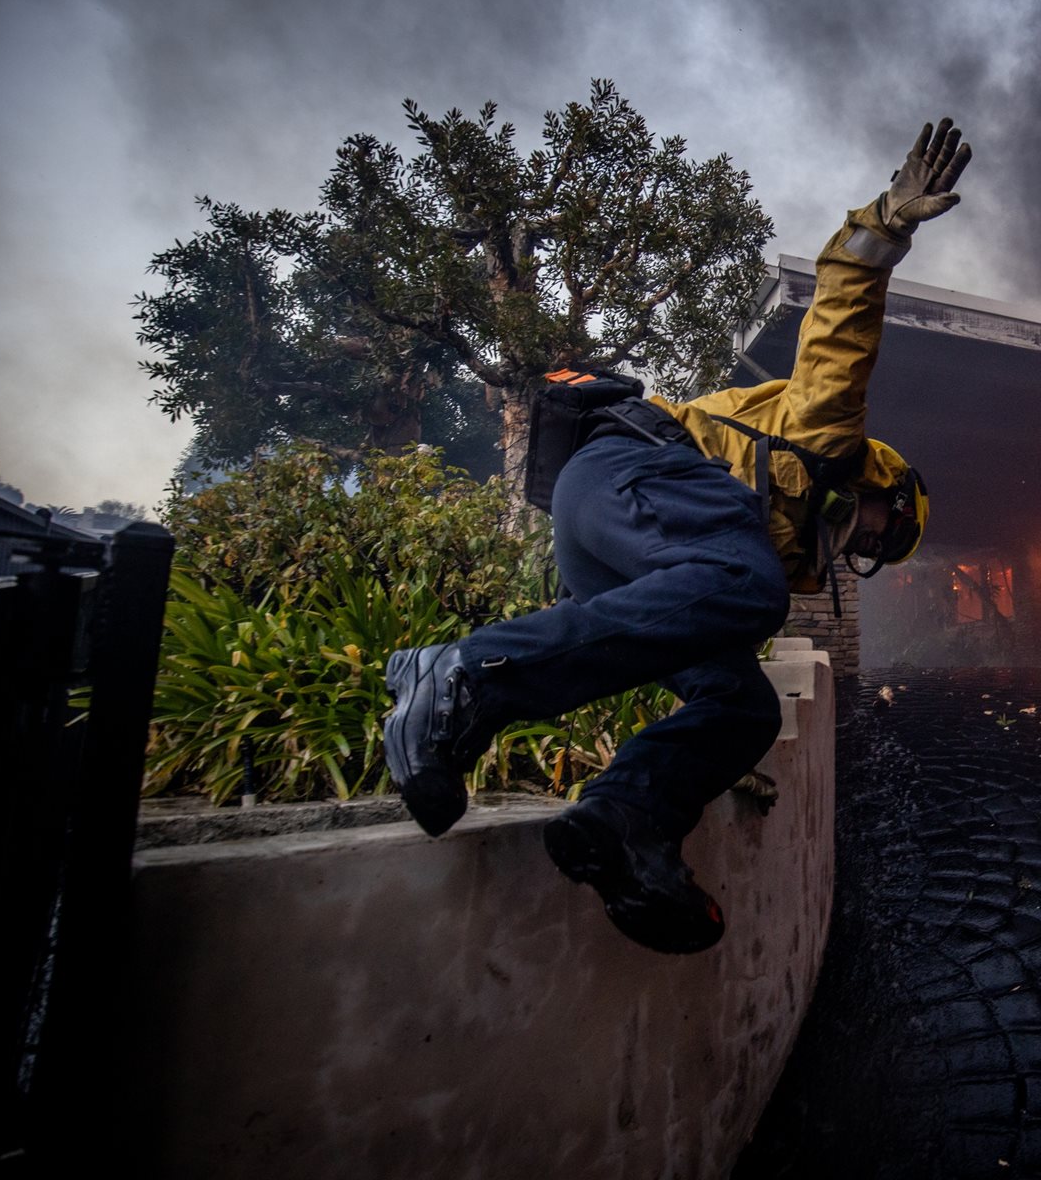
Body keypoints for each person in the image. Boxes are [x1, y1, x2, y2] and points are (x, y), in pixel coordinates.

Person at [380, 118, 972, 954]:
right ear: (885, 490)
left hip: (613, 539)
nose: (862, 549)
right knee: (751, 587)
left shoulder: (774, 532)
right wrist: (887, 221)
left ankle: (625, 819)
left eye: (872, 555)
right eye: (881, 534)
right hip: (627, 470)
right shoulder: (829, 440)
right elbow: (844, 312)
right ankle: (460, 678)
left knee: (743, 705)